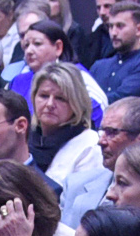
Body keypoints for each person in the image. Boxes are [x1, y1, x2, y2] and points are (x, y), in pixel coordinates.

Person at [29, 63, 109, 219]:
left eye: (60, 98)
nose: (50, 104)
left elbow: (77, 210)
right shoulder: (25, 137)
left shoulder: (90, 144)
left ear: (76, 104)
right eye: (44, 96)